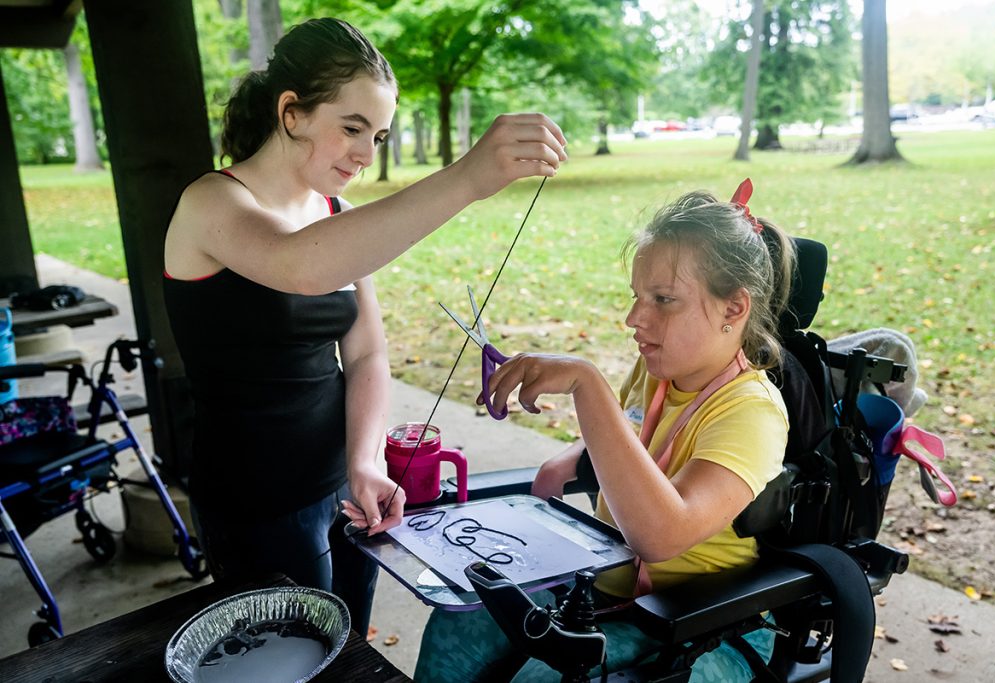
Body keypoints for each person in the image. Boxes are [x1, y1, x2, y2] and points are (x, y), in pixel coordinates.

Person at [162, 17, 565, 637]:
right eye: (352, 128)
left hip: (346, 488)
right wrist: (467, 179)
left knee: (353, 647)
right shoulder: (211, 204)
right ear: (291, 112)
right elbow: (302, 266)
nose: (364, 154)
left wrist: (365, 461)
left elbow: (368, 351)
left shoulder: (335, 213)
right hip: (256, 502)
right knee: (294, 660)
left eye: (377, 135)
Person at [415, 181, 795, 682]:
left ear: (734, 308)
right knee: (455, 626)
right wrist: (569, 460)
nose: (634, 318)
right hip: (604, 595)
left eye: (663, 299)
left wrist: (587, 385)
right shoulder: (657, 372)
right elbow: (631, 437)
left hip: (705, 624)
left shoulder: (751, 412)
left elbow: (663, 536)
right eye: (637, 297)